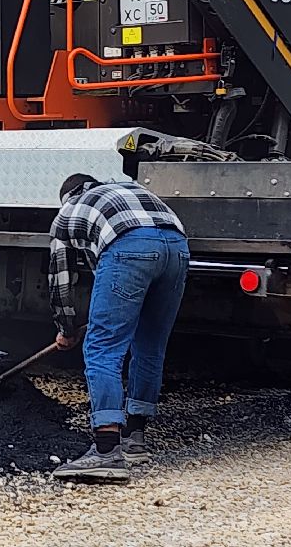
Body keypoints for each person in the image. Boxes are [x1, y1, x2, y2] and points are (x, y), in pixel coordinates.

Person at [47, 173, 189, 482]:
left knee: (102, 349)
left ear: (67, 195)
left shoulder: (68, 211)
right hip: (177, 249)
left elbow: (61, 279)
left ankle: (106, 450)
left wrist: (66, 327)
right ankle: (134, 438)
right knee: (150, 346)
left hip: (129, 246)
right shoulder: (129, 189)